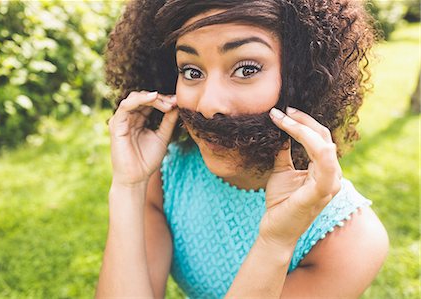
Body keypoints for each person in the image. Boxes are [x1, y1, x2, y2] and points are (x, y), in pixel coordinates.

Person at [96, 0, 389, 298]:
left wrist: (277, 241)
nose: (208, 105)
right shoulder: (167, 176)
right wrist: (128, 186)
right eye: (192, 71)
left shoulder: (352, 239)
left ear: (303, 77)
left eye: (246, 69)